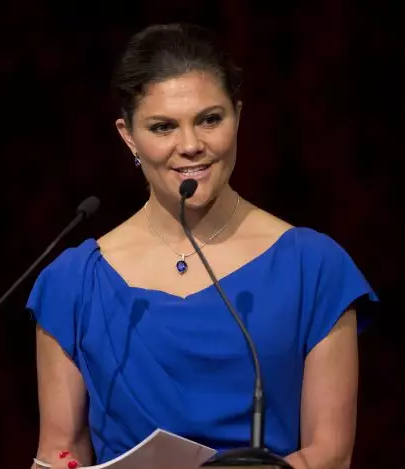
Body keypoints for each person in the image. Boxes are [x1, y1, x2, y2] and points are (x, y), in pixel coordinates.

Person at [26, 23, 378, 469]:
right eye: (163, 127)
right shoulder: (73, 282)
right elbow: (59, 451)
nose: (191, 145)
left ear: (238, 117)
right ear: (128, 136)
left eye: (210, 119)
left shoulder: (314, 267)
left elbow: (330, 454)